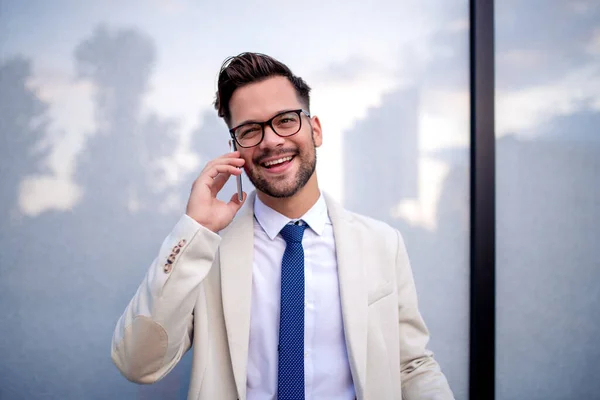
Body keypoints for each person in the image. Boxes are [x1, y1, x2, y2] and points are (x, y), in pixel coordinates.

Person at [111, 52, 454, 400]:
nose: (271, 140)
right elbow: (138, 364)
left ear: (315, 130)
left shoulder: (382, 244)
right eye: (250, 130)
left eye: (286, 120)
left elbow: (410, 366)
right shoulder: (205, 251)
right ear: (235, 150)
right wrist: (193, 228)